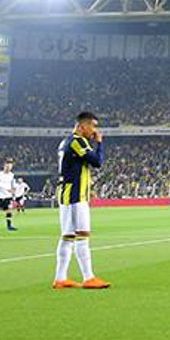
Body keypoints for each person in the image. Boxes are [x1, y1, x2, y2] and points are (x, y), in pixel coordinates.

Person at [53, 112, 110, 289]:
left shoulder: (66, 141)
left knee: (68, 237)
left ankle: (60, 278)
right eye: (93, 126)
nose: (95, 130)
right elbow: (97, 162)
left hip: (70, 193)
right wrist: (99, 143)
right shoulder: (77, 141)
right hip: (75, 195)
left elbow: (77, 167)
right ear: (82, 126)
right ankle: (88, 277)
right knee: (82, 235)